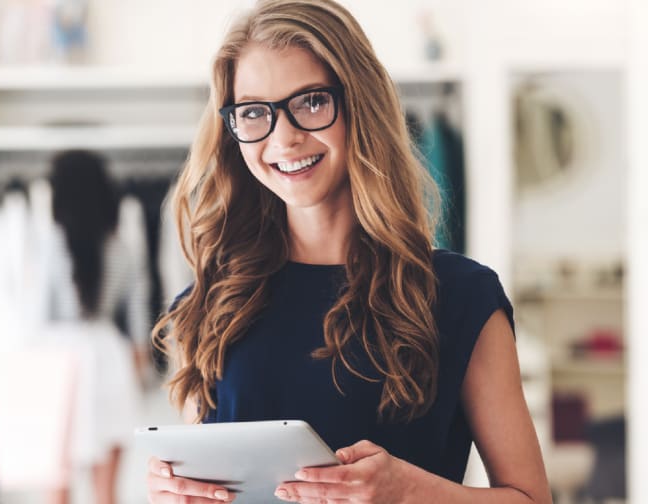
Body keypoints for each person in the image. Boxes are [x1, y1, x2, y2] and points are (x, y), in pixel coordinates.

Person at [146, 1, 552, 503]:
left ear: (358, 102)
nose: (285, 137)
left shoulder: (461, 297)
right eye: (253, 112)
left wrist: (407, 491)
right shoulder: (208, 304)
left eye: (311, 102)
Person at [46, 150, 147, 504]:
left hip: (60, 363)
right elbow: (137, 317)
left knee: (57, 483)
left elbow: (39, 315)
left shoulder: (50, 244)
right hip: (110, 359)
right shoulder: (120, 247)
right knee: (107, 493)